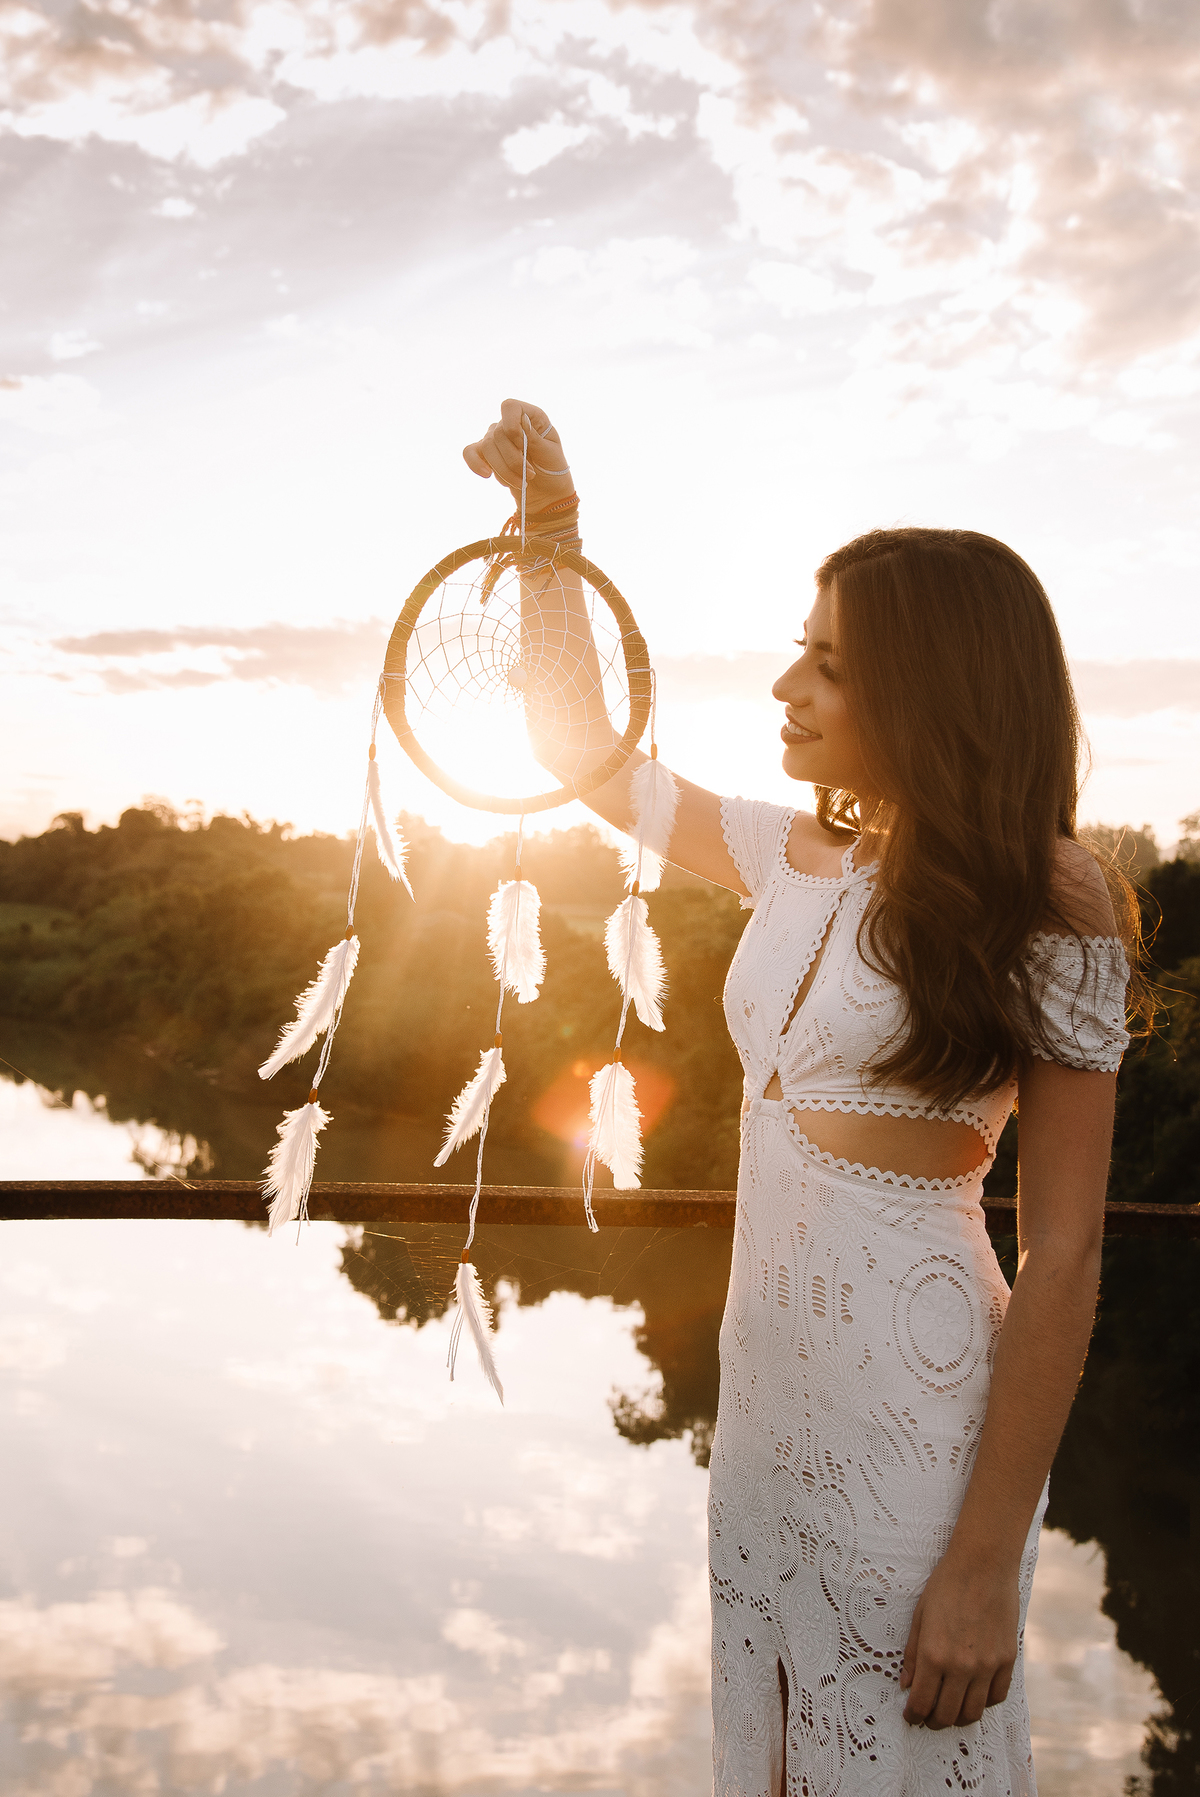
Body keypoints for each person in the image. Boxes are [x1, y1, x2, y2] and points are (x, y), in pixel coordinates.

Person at [463, 399, 1145, 1797]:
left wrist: (980, 1559)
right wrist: (553, 539)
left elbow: (1065, 1254)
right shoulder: (812, 842)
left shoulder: (1052, 897)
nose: (790, 684)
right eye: (800, 649)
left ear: (929, 688)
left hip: (922, 1430)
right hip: (767, 1418)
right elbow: (583, 749)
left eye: (830, 664)